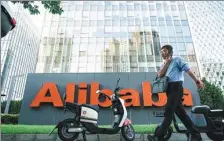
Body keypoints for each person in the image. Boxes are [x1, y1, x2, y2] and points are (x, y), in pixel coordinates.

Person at [154, 45, 205, 141]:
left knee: (168, 110)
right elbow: (160, 75)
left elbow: (188, 71)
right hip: (168, 89)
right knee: (181, 114)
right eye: (161, 51)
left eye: (164, 51)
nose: (162, 53)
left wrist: (197, 81)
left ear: (170, 52)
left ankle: (159, 135)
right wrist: (167, 63)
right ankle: (196, 135)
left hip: (176, 87)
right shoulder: (164, 64)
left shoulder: (177, 60)